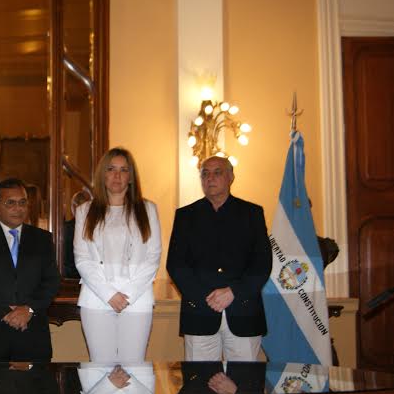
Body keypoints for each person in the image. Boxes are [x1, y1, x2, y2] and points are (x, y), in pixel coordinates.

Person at [166, 155, 272, 362]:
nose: (210, 178)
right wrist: (207, 297)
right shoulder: (186, 216)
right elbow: (176, 265)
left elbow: (262, 264)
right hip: (199, 311)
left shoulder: (252, 213)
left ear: (231, 177)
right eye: (205, 174)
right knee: (200, 379)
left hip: (244, 310)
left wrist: (234, 292)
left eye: (217, 173)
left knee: (244, 379)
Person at [74, 147, 163, 363]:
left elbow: (153, 256)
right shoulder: (85, 211)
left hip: (137, 299)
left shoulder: (148, 209)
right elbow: (82, 258)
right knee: (101, 366)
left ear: (130, 177)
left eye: (124, 170)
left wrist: (128, 295)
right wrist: (109, 294)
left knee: (133, 366)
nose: (117, 175)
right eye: (111, 169)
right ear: (102, 174)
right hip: (96, 299)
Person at [0, 178, 60, 362]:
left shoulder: (42, 239)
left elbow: (51, 281)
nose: (18, 208)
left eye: (22, 202)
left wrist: (28, 309)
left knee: (36, 381)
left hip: (32, 333)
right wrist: (5, 313)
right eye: (11, 203)